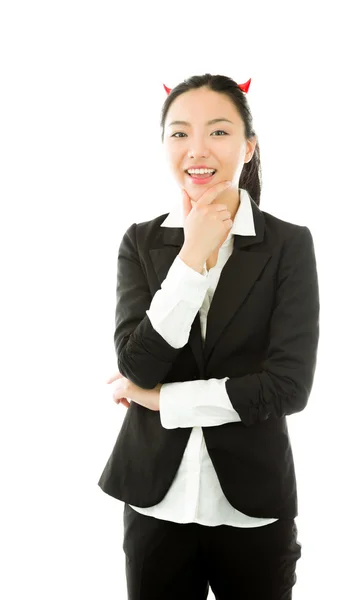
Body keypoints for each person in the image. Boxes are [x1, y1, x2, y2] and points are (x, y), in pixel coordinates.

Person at [98, 73, 320, 600]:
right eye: (179, 134)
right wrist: (193, 255)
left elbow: (289, 387)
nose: (196, 149)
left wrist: (160, 400)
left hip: (252, 508)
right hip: (155, 500)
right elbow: (138, 364)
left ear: (248, 146)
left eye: (218, 132)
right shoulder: (141, 241)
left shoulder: (287, 244)